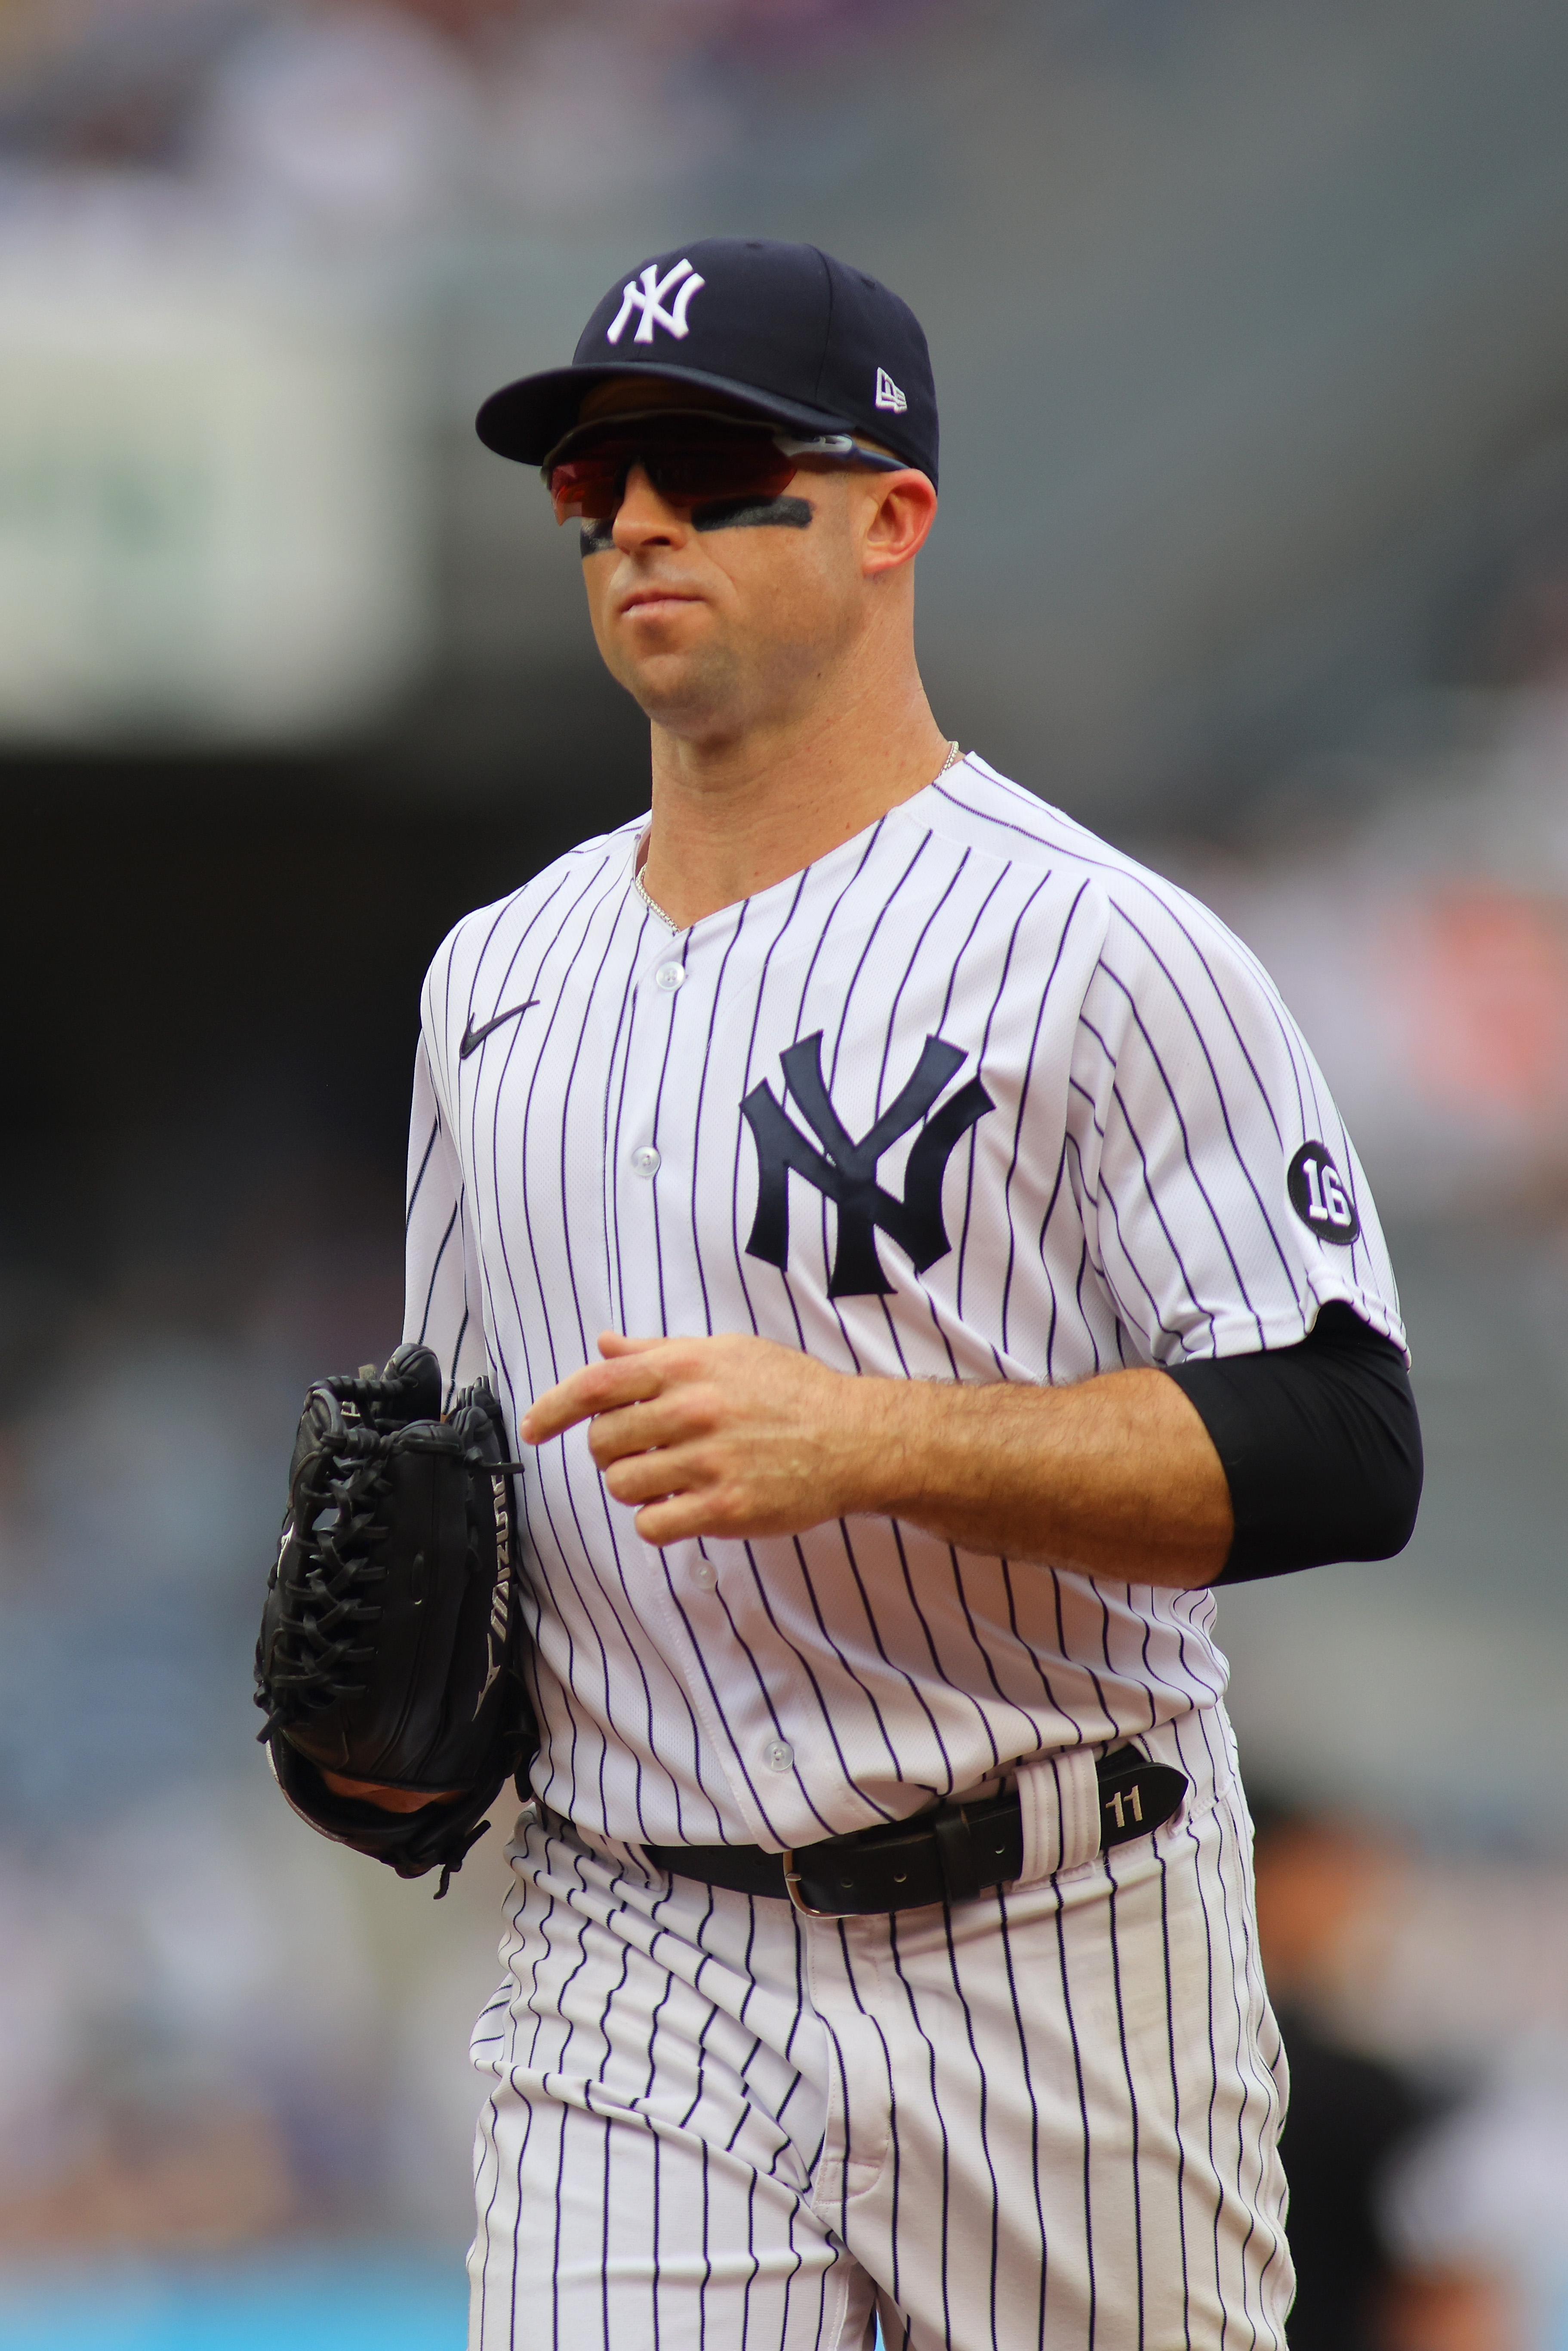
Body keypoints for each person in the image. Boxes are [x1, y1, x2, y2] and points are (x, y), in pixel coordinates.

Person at [320, 238, 1423, 2349]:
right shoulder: (496, 984)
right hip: (634, 1959)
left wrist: (873, 1436)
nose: (634, 514)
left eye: (711, 466)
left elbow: (1347, 1442)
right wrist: (384, 1753)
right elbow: (454, 1496)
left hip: (1059, 1941)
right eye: (592, 477)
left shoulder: (1107, 953)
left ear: (891, 515)